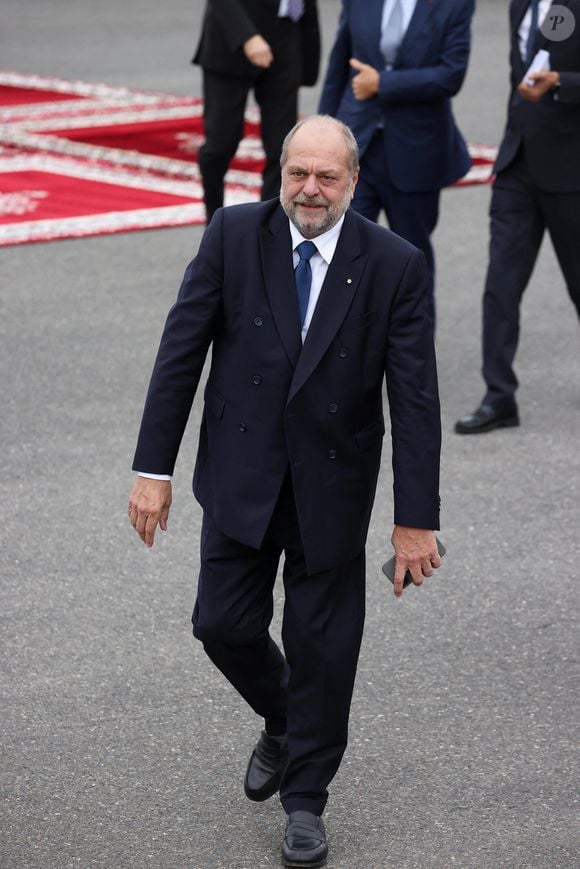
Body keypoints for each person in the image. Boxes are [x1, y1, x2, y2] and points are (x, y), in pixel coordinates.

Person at [128, 115, 442, 868]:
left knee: (323, 647)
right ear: (280, 173)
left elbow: (416, 398)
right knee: (221, 623)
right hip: (241, 475)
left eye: (326, 177)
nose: (309, 189)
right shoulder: (233, 236)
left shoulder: (393, 264)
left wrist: (415, 521)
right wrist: (153, 468)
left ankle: (306, 802)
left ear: (354, 181)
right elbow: (181, 353)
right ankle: (285, 716)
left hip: (332, 485)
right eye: (297, 173)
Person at [456, 0, 580, 434]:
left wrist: (562, 82)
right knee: (501, 286)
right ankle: (499, 396)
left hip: (570, 170)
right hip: (518, 165)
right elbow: (519, 75)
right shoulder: (519, 5)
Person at [318, 0, 475, 323]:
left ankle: (414, 365)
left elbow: (451, 74)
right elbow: (339, 65)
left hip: (416, 151)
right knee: (342, 254)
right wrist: (324, 134)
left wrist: (383, 84)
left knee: (410, 261)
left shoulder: (454, 4)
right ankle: (341, 360)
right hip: (358, 145)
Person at [192, 0, 320, 221]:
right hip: (234, 36)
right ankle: (214, 222)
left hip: (288, 32)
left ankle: (267, 229)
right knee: (220, 145)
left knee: (282, 147)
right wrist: (247, 37)